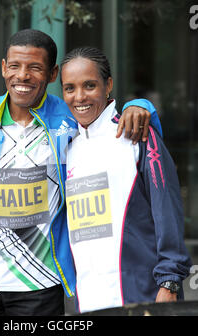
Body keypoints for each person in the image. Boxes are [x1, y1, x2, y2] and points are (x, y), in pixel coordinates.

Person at [0, 29, 160, 316]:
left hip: (42, 286)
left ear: (52, 75)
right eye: (14, 66)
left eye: (34, 68)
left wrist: (141, 105)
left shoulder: (69, 119)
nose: (22, 76)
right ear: (3, 68)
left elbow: (109, 117)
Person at [60, 46, 192, 314]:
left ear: (108, 85)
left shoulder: (138, 134)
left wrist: (169, 282)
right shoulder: (64, 146)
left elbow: (167, 211)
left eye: (89, 85)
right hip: (88, 300)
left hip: (143, 296)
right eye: (69, 88)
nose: (79, 97)